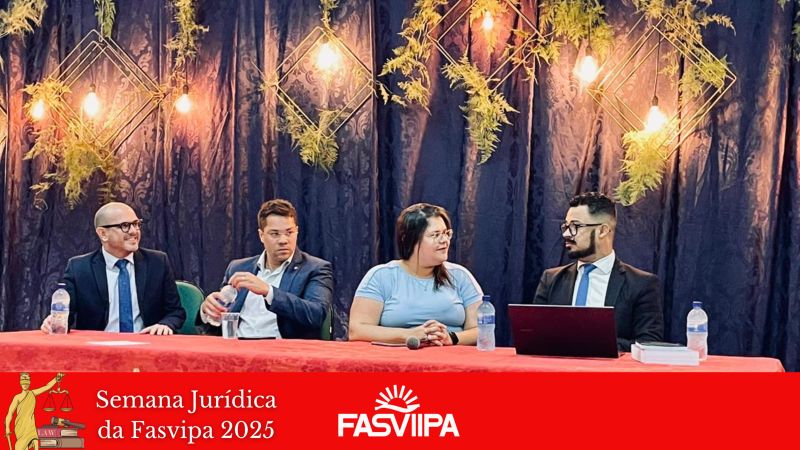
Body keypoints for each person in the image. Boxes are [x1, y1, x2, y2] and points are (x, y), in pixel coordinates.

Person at [533, 192, 664, 351]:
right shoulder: (551, 279)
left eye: (575, 226)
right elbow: (535, 335)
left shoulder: (641, 284)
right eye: (566, 227)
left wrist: (595, 344)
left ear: (602, 231)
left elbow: (649, 344)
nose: (566, 234)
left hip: (612, 367)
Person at [40, 202, 185, 335]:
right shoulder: (79, 268)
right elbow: (66, 315)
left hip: (147, 344)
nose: (134, 231)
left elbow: (175, 312)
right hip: (97, 347)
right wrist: (54, 321)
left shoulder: (157, 262)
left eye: (136, 224)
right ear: (103, 234)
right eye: (125, 226)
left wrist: (165, 325)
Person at [349, 203, 483, 346]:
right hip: (396, 356)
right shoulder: (380, 276)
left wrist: (452, 338)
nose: (444, 240)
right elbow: (357, 330)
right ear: (409, 239)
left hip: (452, 356)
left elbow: (482, 329)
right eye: (435, 235)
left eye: (446, 233)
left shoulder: (460, 276)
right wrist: (409, 334)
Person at [198, 199, 333, 339]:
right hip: (236, 346)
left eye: (289, 232)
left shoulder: (315, 268)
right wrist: (208, 311)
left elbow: (316, 315)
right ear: (261, 235)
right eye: (275, 234)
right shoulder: (238, 268)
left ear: (297, 232)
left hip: (280, 348)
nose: (283, 240)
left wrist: (269, 292)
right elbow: (222, 319)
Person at [5, 372, 64, 450]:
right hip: (21, 427)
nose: (25, 384)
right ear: (20, 382)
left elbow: (47, 386)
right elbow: (10, 413)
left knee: (35, 442)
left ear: (29, 382)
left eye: (27, 381)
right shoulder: (17, 397)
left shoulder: (33, 393)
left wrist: (56, 379)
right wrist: (7, 427)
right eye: (23, 381)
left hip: (31, 426)